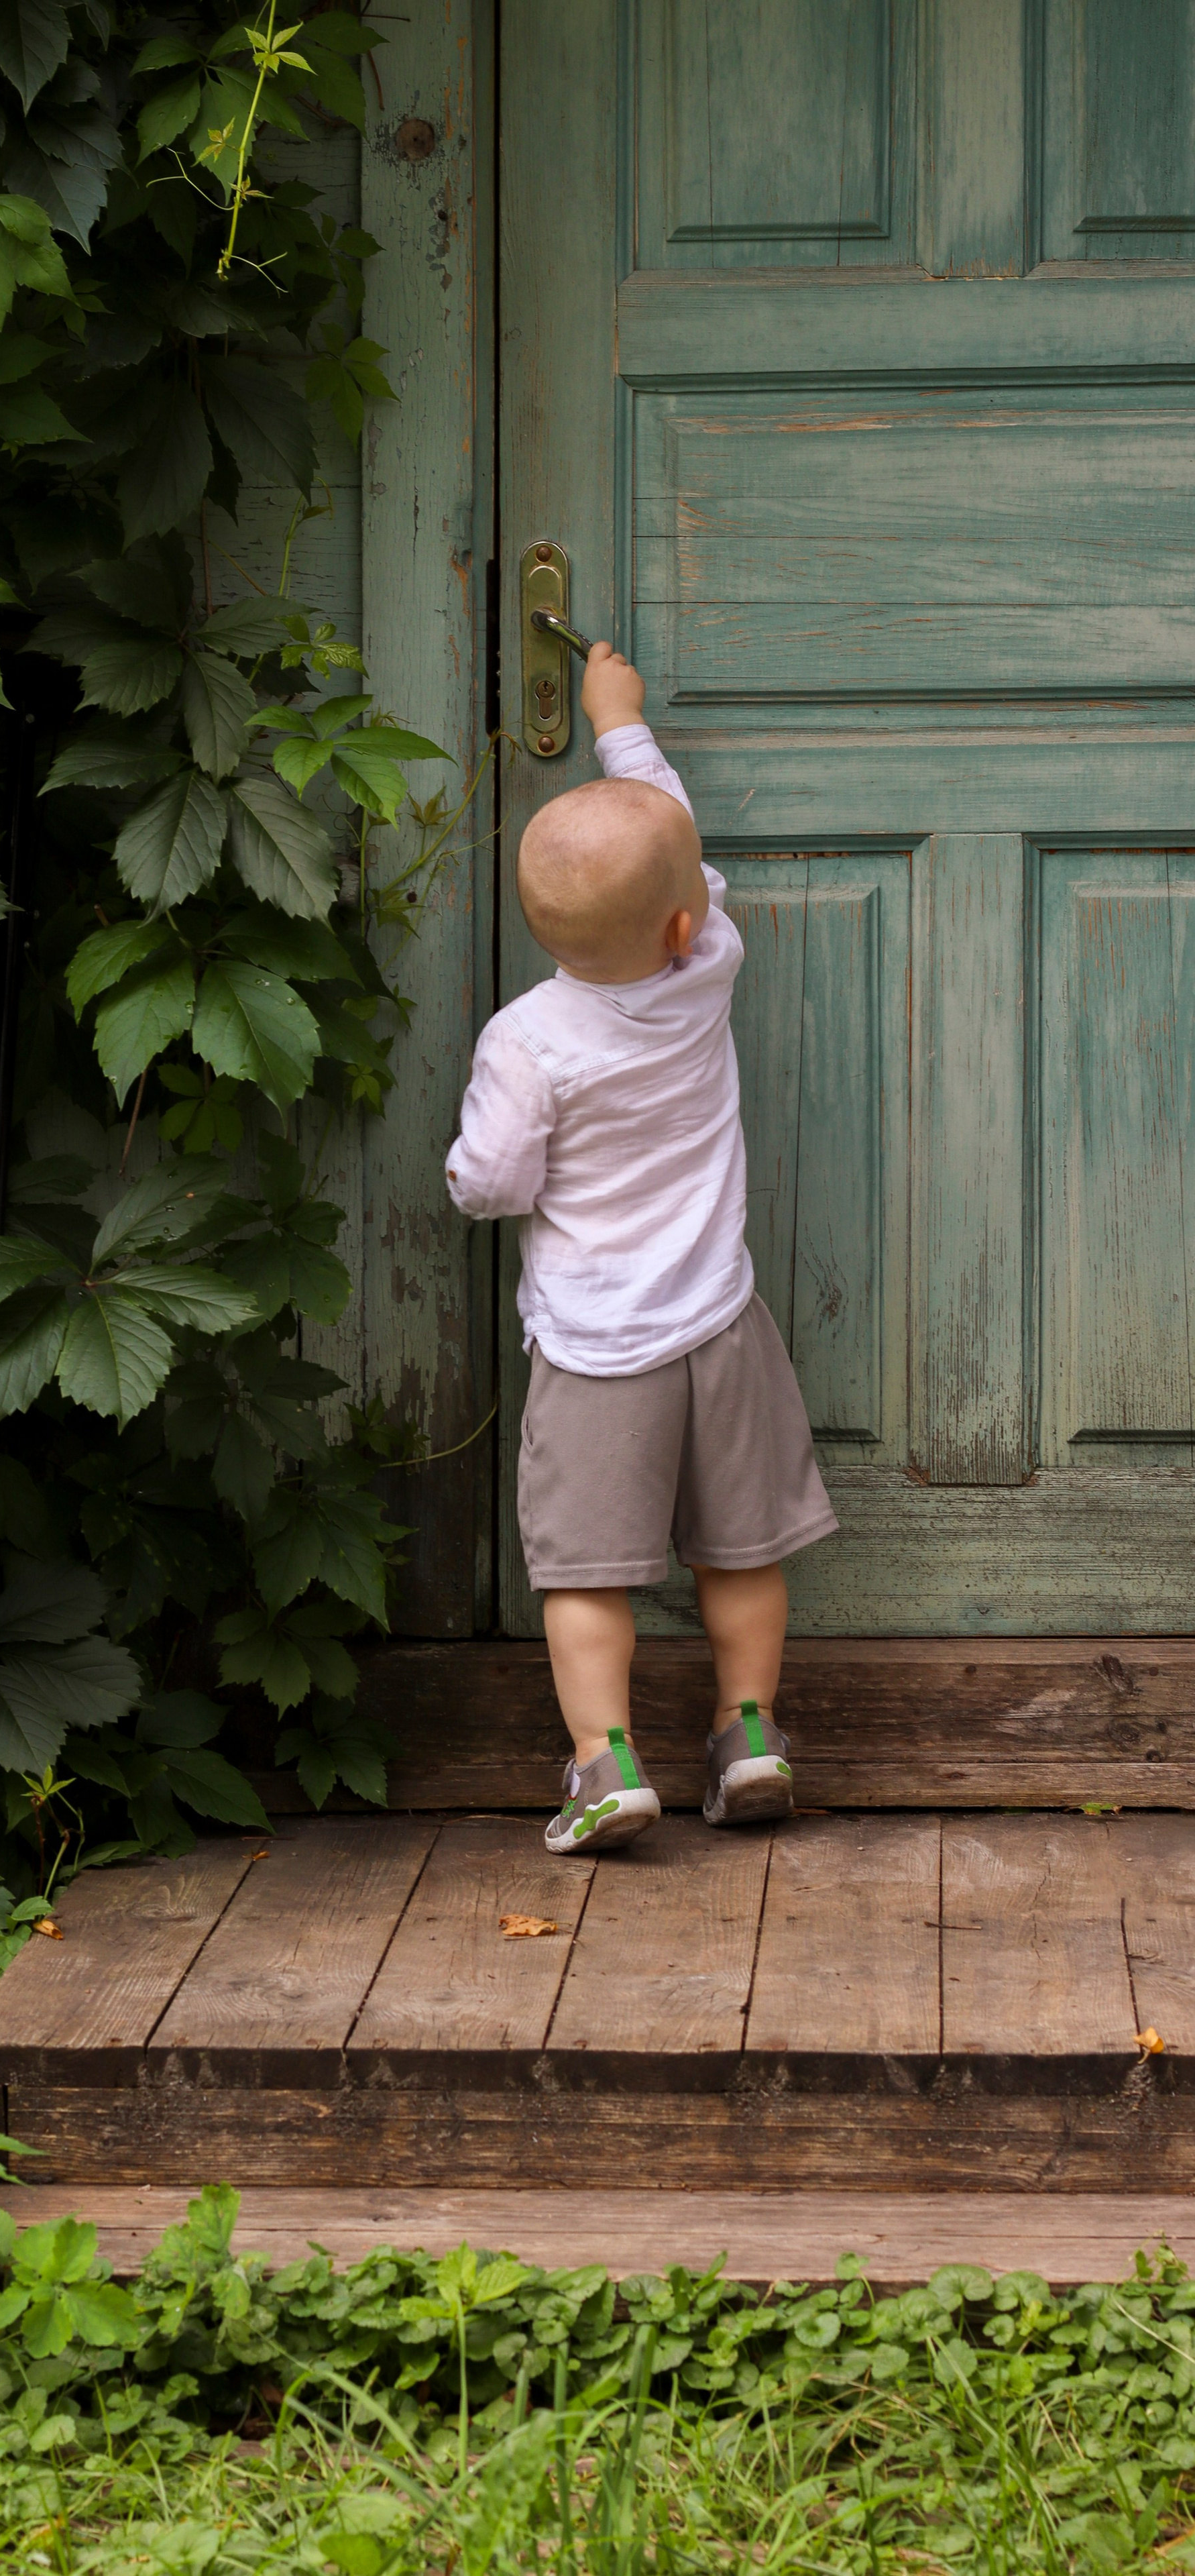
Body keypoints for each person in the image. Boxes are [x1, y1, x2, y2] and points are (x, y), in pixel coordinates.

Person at [445, 642, 838, 1854]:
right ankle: (751, 1730)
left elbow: (493, 1183)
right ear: (685, 920)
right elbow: (671, 829)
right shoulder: (708, 962)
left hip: (594, 1342)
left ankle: (604, 1762)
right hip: (720, 1319)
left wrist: (468, 1172)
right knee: (744, 1545)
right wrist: (622, 720)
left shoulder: (528, 1039)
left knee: (588, 1575)